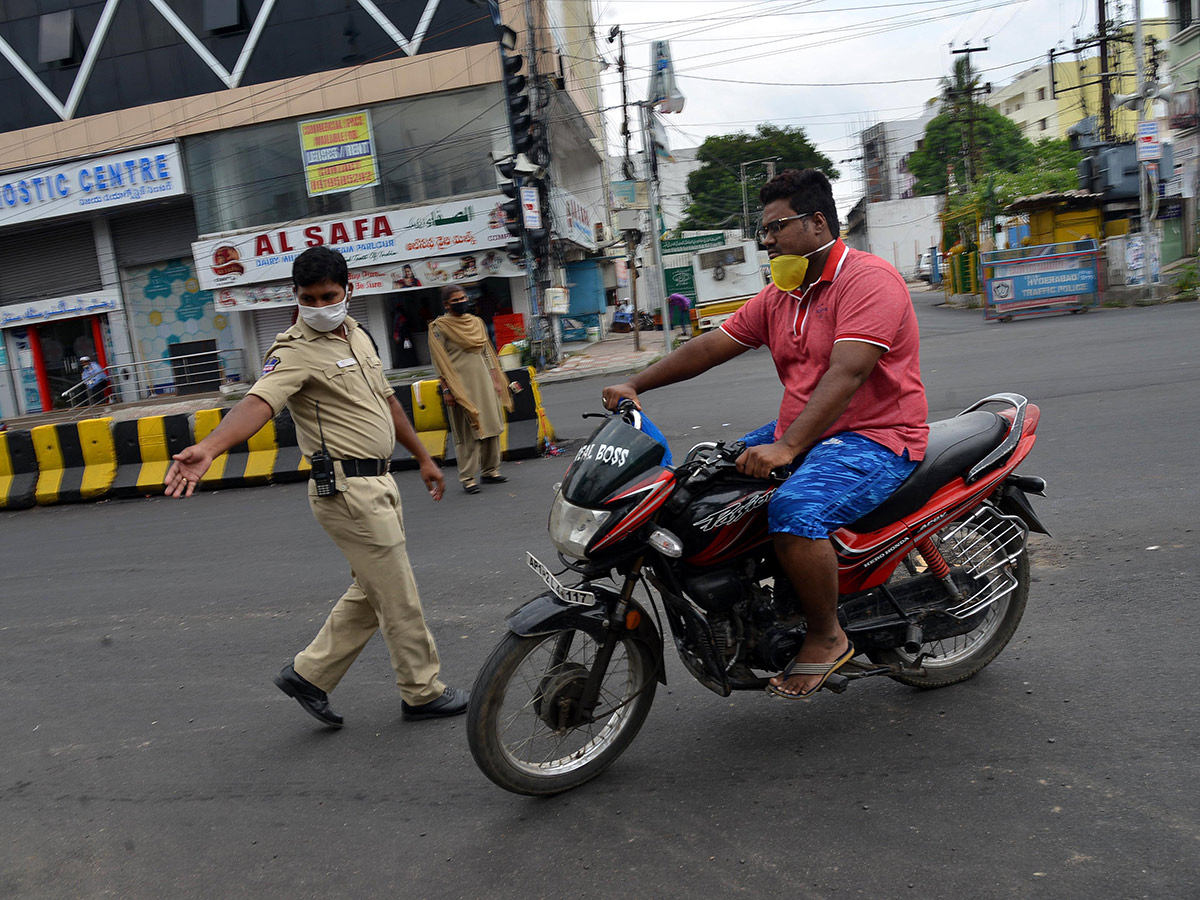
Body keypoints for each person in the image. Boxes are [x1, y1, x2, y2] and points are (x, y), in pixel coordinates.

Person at [602, 168, 928, 701]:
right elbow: (711, 347)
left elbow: (847, 374)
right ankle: (761, 602)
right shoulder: (784, 294)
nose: (767, 240)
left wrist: (788, 446)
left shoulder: (868, 280)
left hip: (875, 435)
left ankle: (827, 636)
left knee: (795, 510)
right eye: (765, 231)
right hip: (803, 430)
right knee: (696, 482)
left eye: (777, 227)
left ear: (818, 222)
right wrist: (635, 383)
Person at [164, 246, 468, 727]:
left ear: (349, 290)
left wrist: (425, 458)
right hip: (346, 491)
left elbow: (388, 403)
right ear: (296, 297)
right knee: (399, 594)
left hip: (381, 480)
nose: (321, 305)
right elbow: (259, 402)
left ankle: (309, 675)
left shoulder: (358, 336)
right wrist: (212, 446)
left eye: (329, 295)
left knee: (374, 591)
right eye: (309, 297)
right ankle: (421, 690)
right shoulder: (292, 350)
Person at [429, 285, 513, 494]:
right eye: (456, 300)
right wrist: (447, 390)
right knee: (469, 432)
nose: (461, 302)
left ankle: (490, 471)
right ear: (446, 305)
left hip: (484, 381)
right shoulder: (439, 327)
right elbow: (440, 361)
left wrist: (495, 380)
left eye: (463, 298)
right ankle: (468, 478)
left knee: (492, 425)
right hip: (460, 385)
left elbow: (486, 353)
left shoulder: (476, 322)